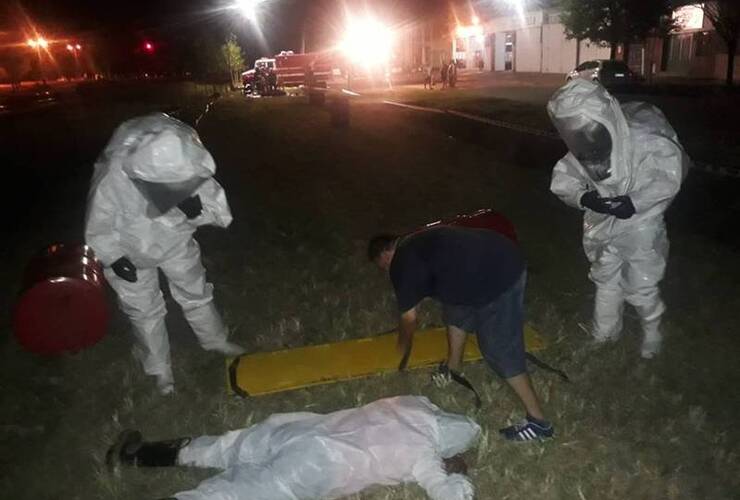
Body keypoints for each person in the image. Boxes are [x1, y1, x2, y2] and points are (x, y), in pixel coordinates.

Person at [85, 112, 244, 395]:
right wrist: (114, 257)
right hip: (130, 250)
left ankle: (214, 340)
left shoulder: (186, 164)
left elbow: (221, 213)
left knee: (196, 292)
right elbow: (98, 225)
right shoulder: (114, 177)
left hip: (175, 241)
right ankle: (159, 369)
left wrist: (196, 211)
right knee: (144, 311)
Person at [368, 226, 554, 441]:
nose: (386, 272)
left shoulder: (401, 263)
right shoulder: (414, 241)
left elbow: (409, 319)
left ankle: (539, 423)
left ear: (385, 255)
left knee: (498, 348)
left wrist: (403, 347)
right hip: (492, 253)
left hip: (500, 275)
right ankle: (453, 367)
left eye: (382, 267)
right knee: (455, 310)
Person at [548, 79, 689, 358]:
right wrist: (585, 198)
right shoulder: (582, 145)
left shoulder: (644, 140)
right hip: (603, 224)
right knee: (605, 278)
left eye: (586, 129)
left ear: (606, 116)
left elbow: (667, 177)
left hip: (641, 223)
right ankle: (604, 334)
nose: (582, 139)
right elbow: (564, 178)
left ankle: (652, 332)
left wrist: (634, 202)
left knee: (641, 281)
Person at [106, 395, 480, 500]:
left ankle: (136, 454)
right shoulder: (423, 454)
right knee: (233, 494)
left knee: (223, 448)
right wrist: (457, 477)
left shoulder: (409, 404)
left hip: (301, 431)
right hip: (319, 467)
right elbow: (448, 493)